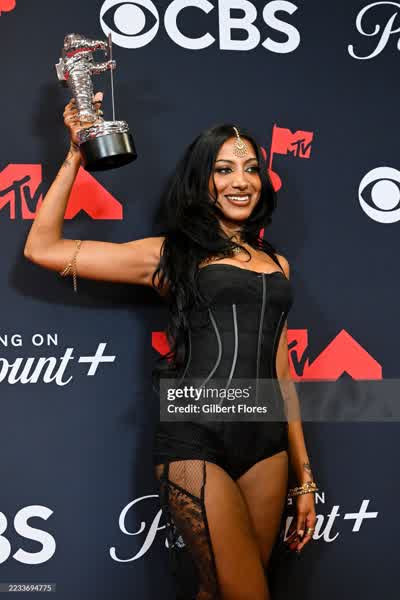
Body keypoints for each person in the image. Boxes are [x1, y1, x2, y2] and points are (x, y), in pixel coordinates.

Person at [24, 92, 317, 600]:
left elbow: (282, 374)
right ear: (202, 180)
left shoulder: (279, 265)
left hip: (266, 445)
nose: (241, 181)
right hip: (194, 438)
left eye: (251, 168)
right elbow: (42, 248)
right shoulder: (170, 254)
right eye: (224, 169)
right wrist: (75, 154)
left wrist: (304, 477)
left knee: (216, 591)